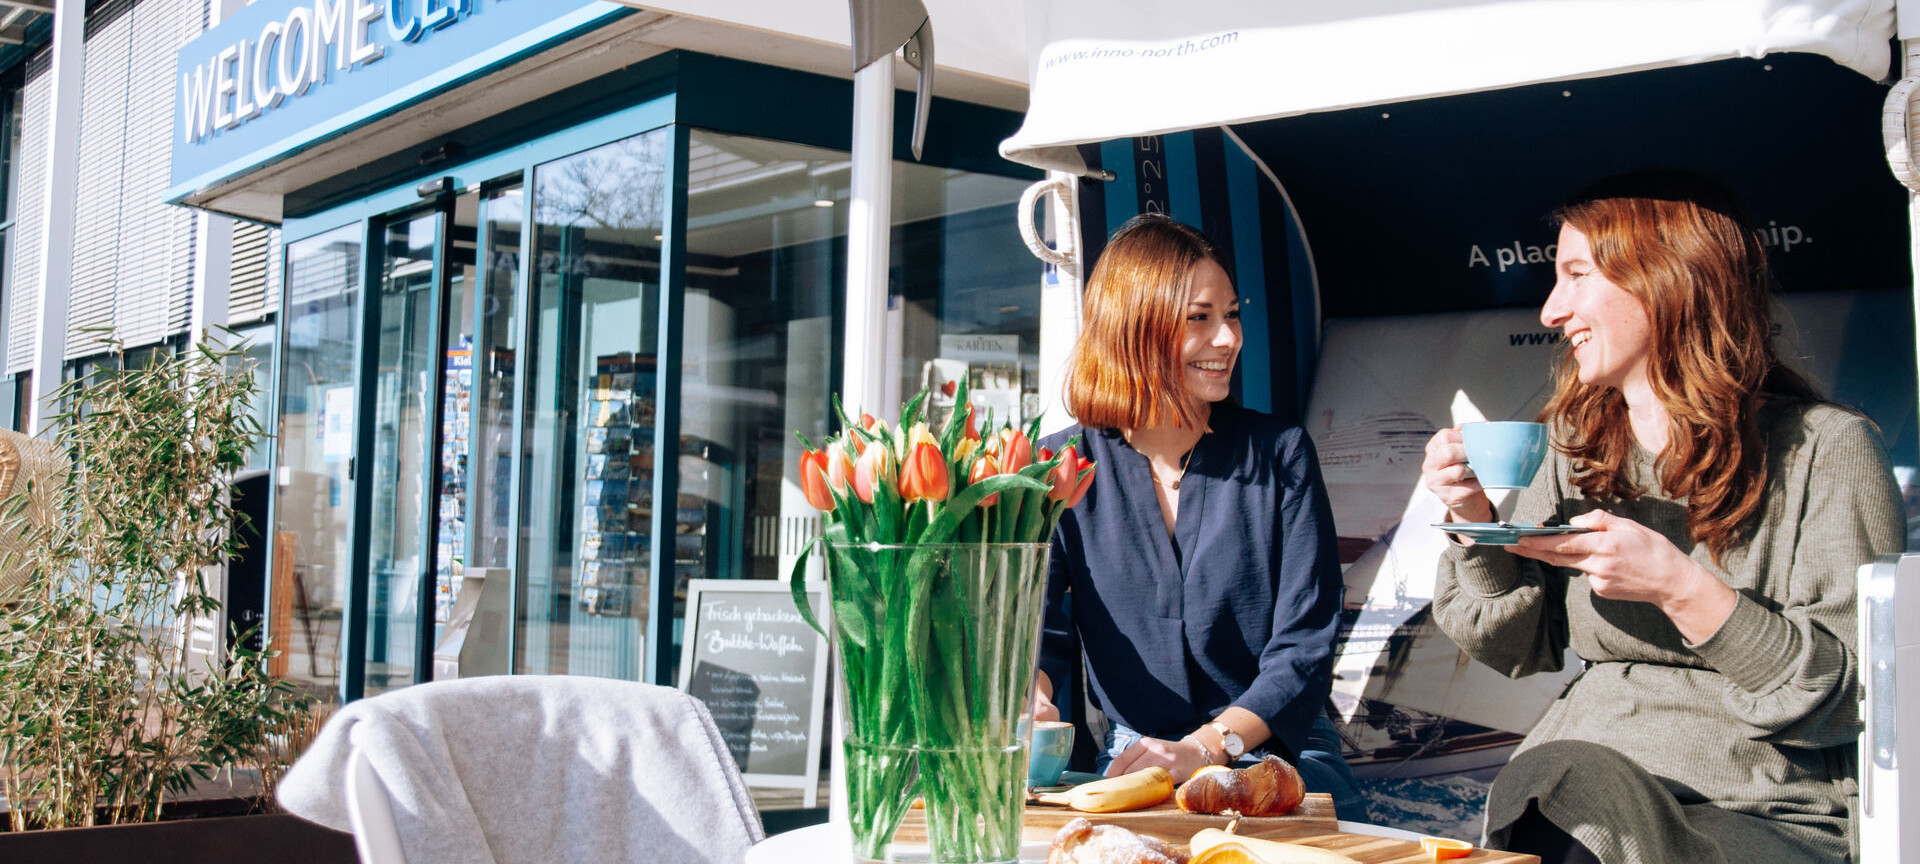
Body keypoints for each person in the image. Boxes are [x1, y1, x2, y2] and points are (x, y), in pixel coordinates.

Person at [1420, 169, 1904, 864]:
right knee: (1556, 783)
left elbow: (1858, 698)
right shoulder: (1573, 445)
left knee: (1566, 791)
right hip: (1588, 777)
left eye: (1576, 275)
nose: (1551, 312)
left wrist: (1683, 589)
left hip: (1763, 811)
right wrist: (1475, 522)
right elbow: (1516, 647)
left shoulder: (1824, 451)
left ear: (1667, 278)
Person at [1031, 213, 1366, 820]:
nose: (1229, 338)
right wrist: (1035, 699)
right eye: (1200, 318)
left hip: (1276, 752)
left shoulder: (1281, 452)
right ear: (1135, 328)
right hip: (1139, 755)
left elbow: (1305, 645)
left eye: (1232, 314)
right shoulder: (1059, 464)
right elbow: (1041, 632)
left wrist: (1210, 747)